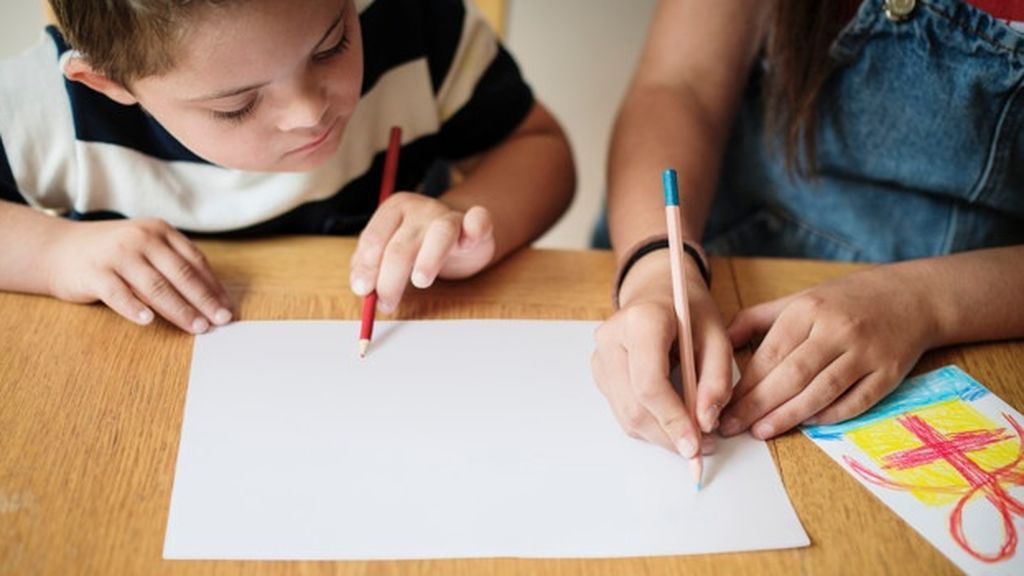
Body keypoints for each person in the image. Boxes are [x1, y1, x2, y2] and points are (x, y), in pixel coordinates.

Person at [591, 0, 1024, 458]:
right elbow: (677, 86)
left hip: (976, 313)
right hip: (710, 261)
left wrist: (925, 301)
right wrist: (655, 269)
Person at [0, 0, 574, 334]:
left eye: (331, 46)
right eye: (237, 104)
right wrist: (54, 253)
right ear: (108, 83)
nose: (308, 113)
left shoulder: (414, 25)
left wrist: (460, 217)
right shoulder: (48, 108)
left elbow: (538, 146)